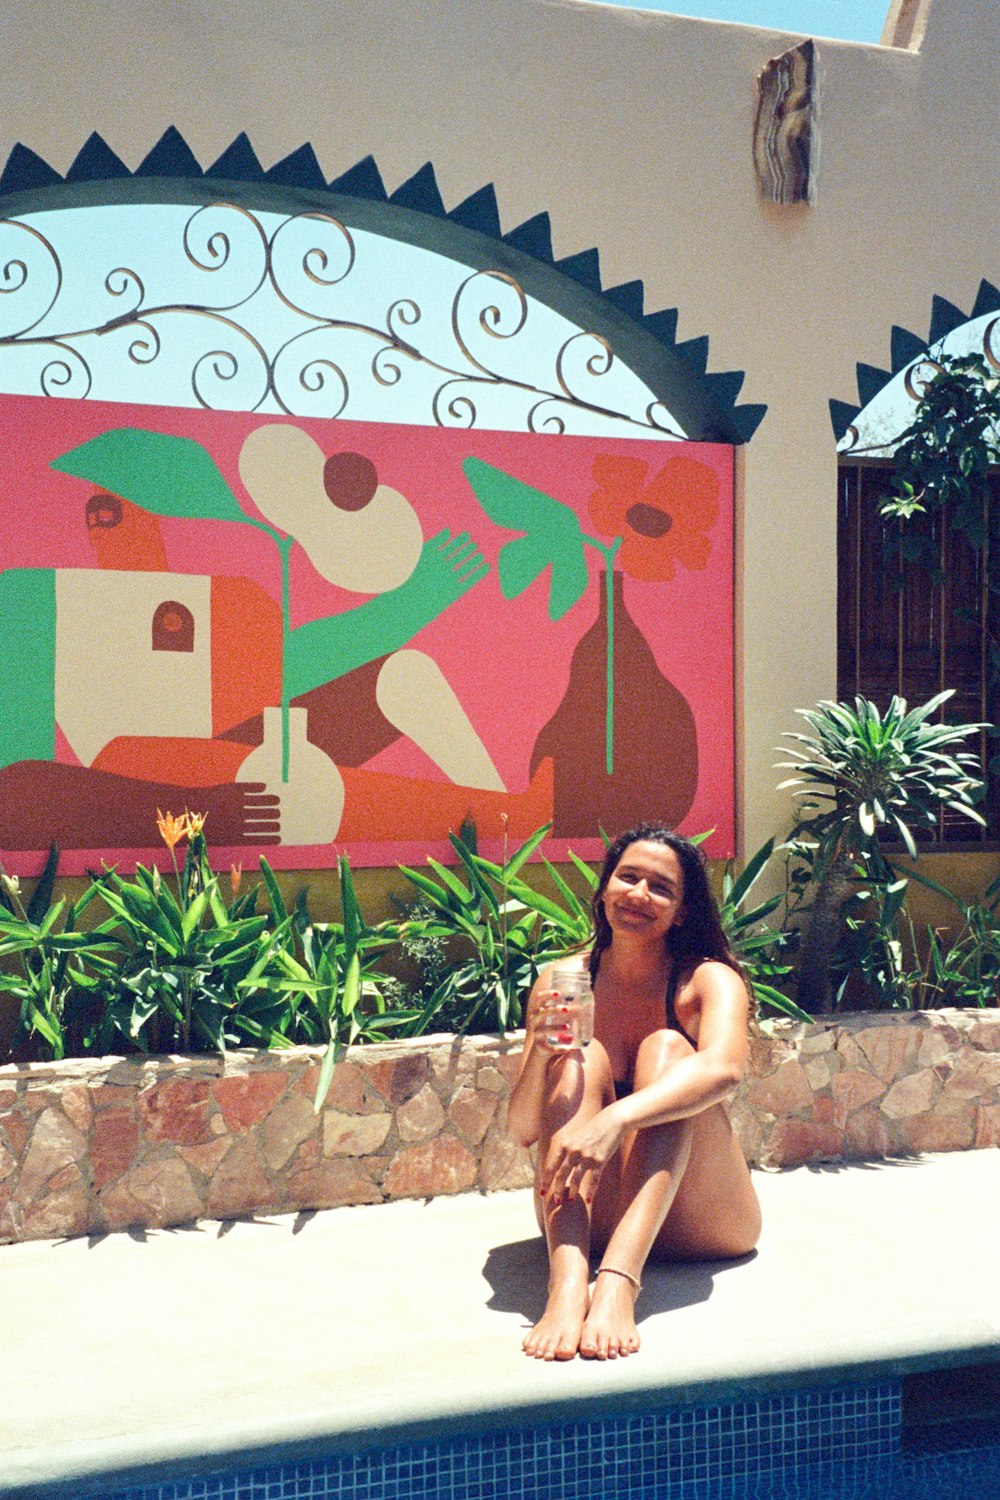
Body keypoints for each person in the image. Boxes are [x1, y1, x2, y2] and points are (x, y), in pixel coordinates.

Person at [507, 823, 761, 1362]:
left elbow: (726, 1070)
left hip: (704, 1223)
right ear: (604, 890)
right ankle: (569, 1284)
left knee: (668, 1049)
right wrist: (540, 1051)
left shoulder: (707, 980)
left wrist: (614, 1120)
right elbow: (523, 1130)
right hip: (588, 1221)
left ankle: (620, 1282)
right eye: (628, 877)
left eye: (661, 887)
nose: (639, 894)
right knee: (580, 1056)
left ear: (682, 911)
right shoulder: (563, 980)